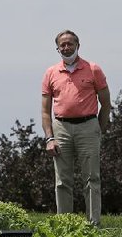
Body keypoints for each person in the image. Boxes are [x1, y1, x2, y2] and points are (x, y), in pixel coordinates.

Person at [41, 29, 111, 225]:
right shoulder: (51, 73)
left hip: (88, 126)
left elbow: (106, 103)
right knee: (62, 181)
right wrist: (49, 137)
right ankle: (65, 226)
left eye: (70, 43)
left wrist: (99, 128)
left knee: (91, 178)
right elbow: (45, 111)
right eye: (62, 44)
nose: (66, 47)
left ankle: (93, 225)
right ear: (57, 48)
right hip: (61, 128)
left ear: (78, 46)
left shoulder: (93, 69)